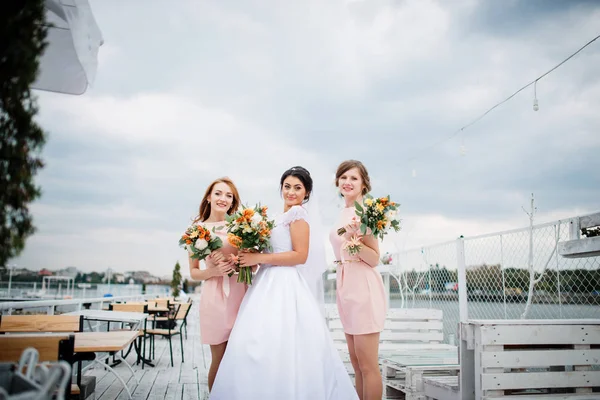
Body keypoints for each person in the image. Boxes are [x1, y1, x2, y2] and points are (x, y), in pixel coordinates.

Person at [209, 166, 358, 400]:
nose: (291, 192)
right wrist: (246, 256)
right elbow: (268, 250)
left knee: (283, 341)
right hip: (264, 282)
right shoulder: (279, 218)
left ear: (306, 192)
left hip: (285, 284)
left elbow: (300, 256)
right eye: (287, 186)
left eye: (297, 188)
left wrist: (258, 258)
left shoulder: (299, 216)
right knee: (256, 341)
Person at [329, 160, 386, 400]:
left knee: (367, 364)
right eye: (343, 177)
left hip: (363, 286)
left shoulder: (368, 211)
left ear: (364, 184)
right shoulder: (343, 212)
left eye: (353, 178)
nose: (347, 182)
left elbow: (374, 258)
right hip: (345, 285)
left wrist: (354, 244)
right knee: (355, 361)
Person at [188, 177, 246, 391]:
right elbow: (194, 272)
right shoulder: (197, 231)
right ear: (209, 197)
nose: (223, 198)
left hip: (242, 295)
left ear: (233, 202)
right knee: (220, 359)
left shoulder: (242, 227)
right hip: (214, 298)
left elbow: (251, 263)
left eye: (229, 195)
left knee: (241, 359)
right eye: (219, 193)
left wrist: (241, 263)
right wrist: (213, 271)